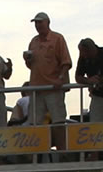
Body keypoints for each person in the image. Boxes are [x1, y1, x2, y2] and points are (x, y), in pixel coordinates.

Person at [25, 12, 72, 152]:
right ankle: (37, 153)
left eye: (40, 22)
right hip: (37, 88)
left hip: (53, 87)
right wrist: (28, 60)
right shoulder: (33, 41)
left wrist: (60, 78)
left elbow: (66, 61)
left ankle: (62, 152)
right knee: (35, 123)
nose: (38, 25)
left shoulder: (58, 38)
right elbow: (32, 66)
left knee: (58, 121)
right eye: (36, 23)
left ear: (47, 23)